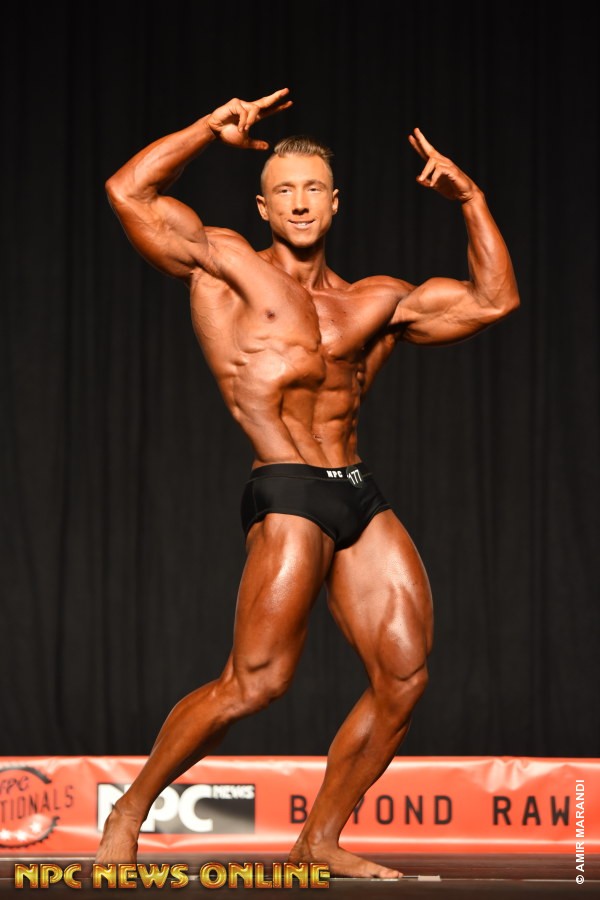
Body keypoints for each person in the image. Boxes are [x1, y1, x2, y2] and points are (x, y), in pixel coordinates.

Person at [96, 87, 519, 878]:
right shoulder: (225, 266)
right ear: (263, 206)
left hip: (356, 488)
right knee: (255, 684)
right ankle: (130, 806)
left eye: (313, 189)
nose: (299, 201)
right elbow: (128, 193)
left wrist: (471, 200)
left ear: (334, 203)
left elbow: (496, 300)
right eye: (284, 190)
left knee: (404, 677)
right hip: (286, 481)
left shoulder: (376, 300)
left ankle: (318, 839)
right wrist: (207, 129)